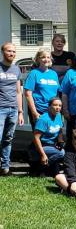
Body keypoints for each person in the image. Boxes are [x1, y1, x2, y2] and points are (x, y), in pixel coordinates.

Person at [0, 42, 24, 175]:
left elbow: (18, 91)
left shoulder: (16, 69)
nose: (12, 54)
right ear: (3, 52)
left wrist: (20, 112)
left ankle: (5, 167)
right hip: (0, 109)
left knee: (8, 138)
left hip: (13, 109)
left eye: (14, 51)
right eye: (9, 51)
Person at [24, 49, 60, 129]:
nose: (46, 59)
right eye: (43, 57)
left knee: (52, 133)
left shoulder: (54, 74)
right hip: (39, 110)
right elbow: (28, 94)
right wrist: (34, 112)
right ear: (38, 59)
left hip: (52, 110)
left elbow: (57, 93)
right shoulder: (34, 73)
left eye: (48, 57)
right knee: (39, 136)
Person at [30, 97, 65, 176]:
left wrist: (61, 142)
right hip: (40, 146)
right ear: (49, 106)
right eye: (55, 105)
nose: (58, 108)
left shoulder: (58, 115)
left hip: (52, 145)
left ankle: (49, 168)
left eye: (60, 105)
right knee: (62, 153)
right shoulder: (43, 119)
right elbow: (36, 138)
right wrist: (43, 155)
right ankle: (41, 166)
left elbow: (60, 130)